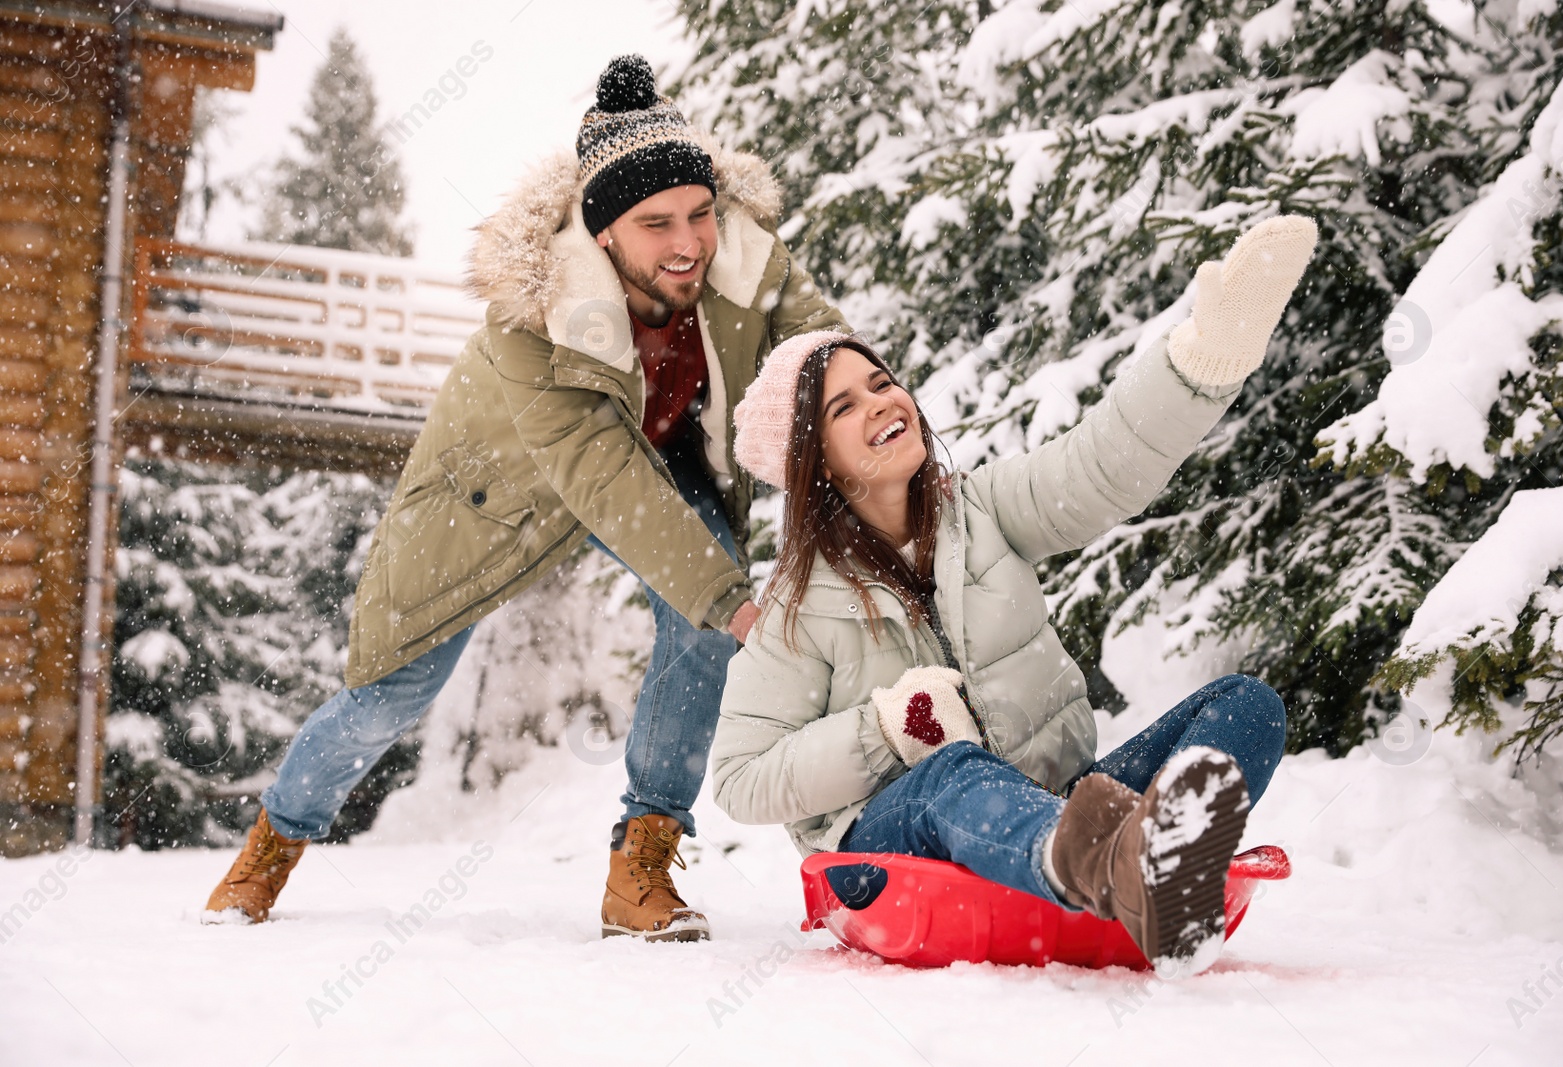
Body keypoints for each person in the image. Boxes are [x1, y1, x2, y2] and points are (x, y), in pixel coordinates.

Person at [203, 55, 847, 941]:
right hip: (491, 502)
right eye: (655, 223)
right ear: (604, 234)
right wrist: (738, 604)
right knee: (391, 690)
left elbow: (827, 360)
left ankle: (643, 863)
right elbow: (599, 471)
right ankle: (272, 846)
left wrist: (885, 448)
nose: (688, 241)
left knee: (701, 625)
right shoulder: (533, 318)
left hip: (661, 463)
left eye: (700, 213)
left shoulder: (745, 262)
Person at [712, 217, 1317, 976]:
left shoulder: (984, 509)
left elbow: (1102, 465)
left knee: (1245, 703)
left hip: (1054, 806)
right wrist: (884, 733)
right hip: (894, 854)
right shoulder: (799, 612)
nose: (879, 401)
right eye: (842, 407)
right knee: (953, 769)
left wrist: (1201, 362)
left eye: (880, 380)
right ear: (817, 462)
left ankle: (1142, 863)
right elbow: (739, 777)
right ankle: (1113, 868)